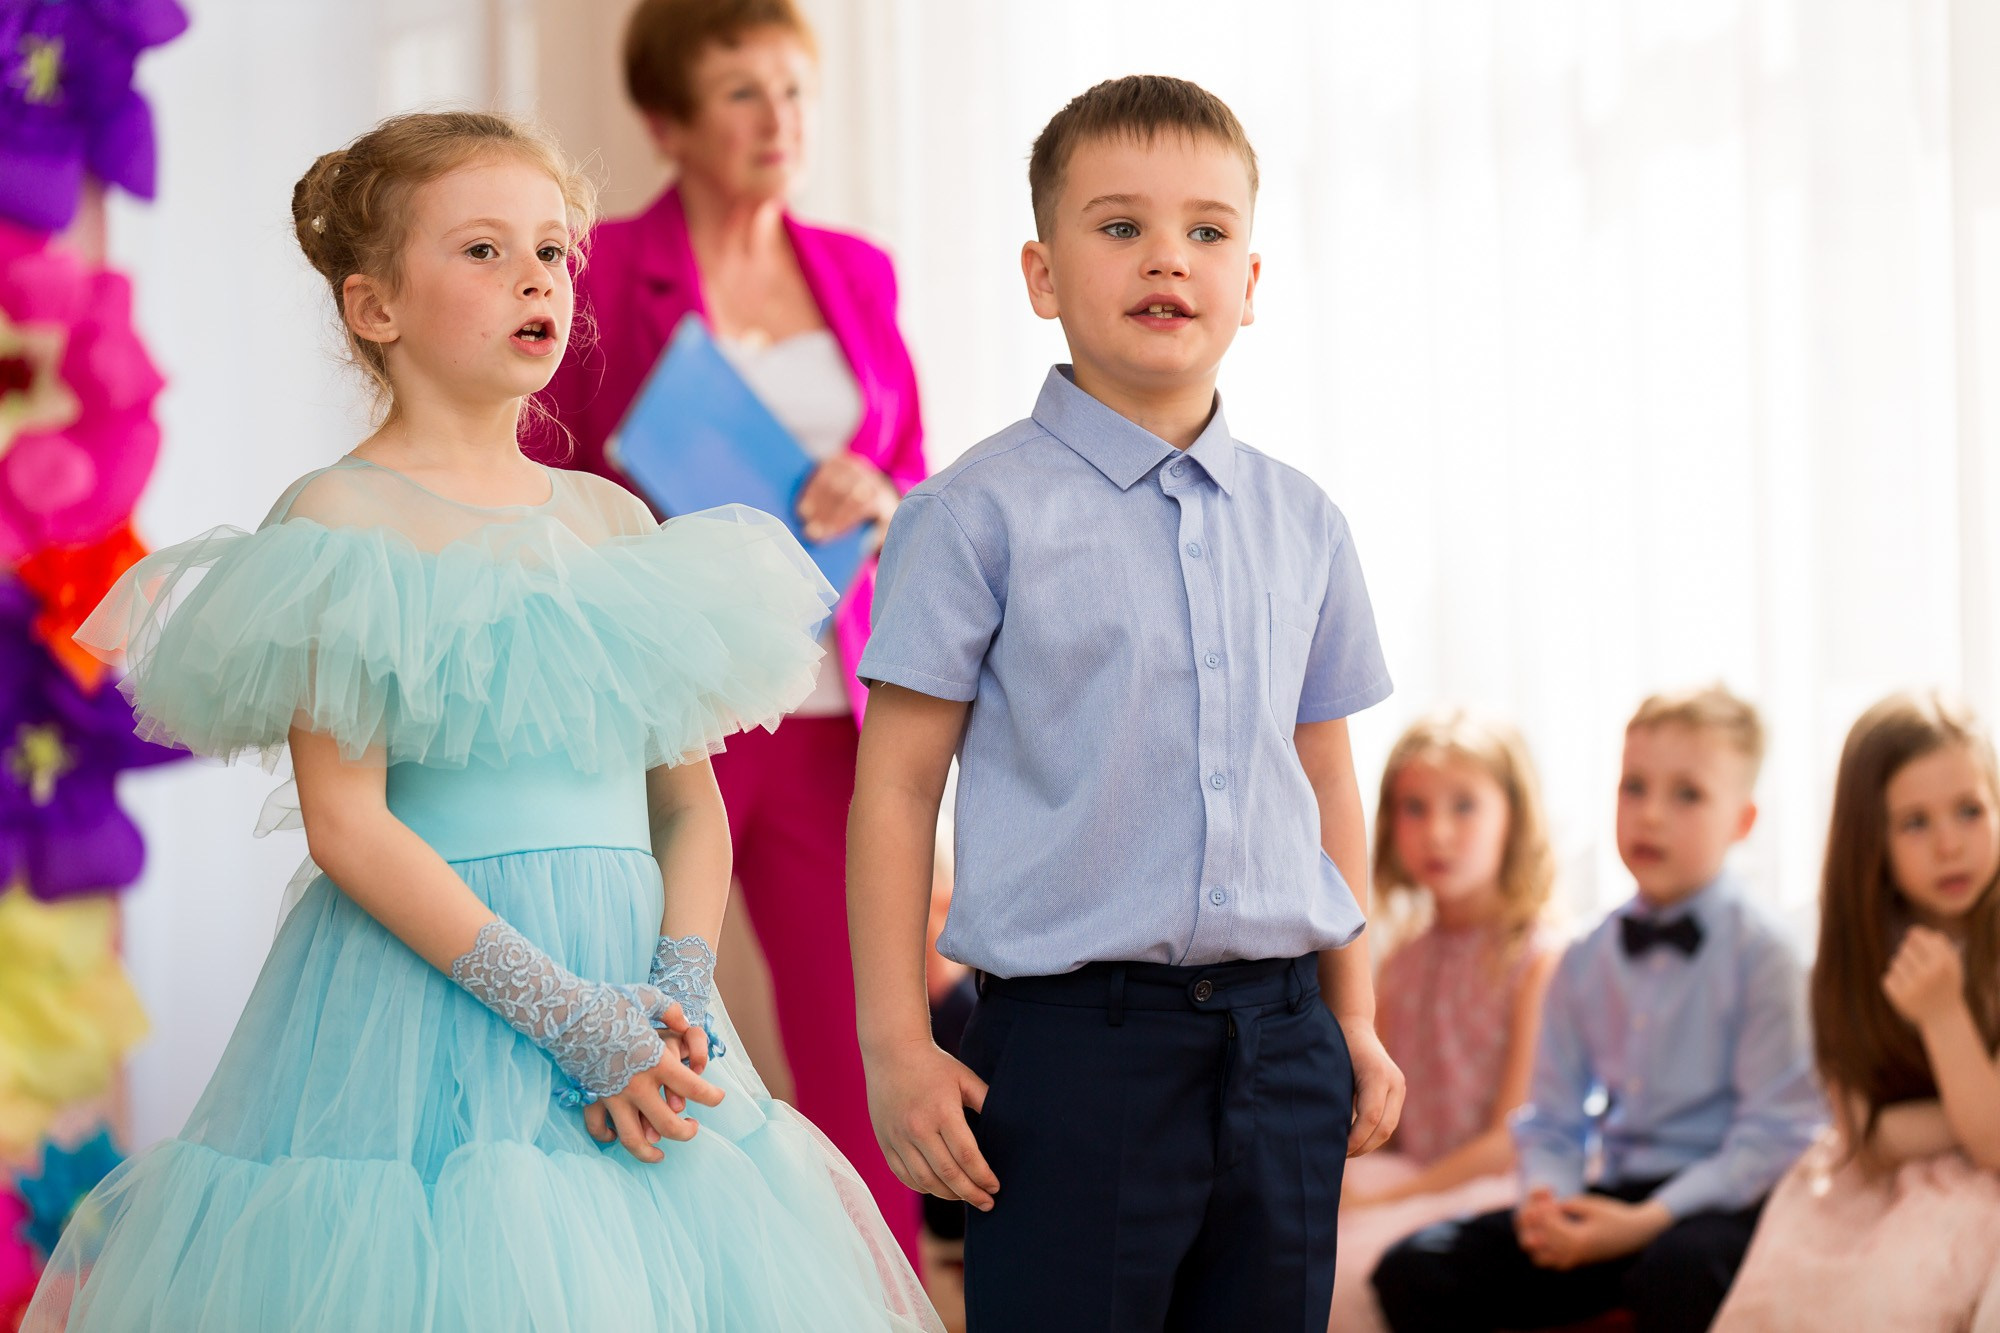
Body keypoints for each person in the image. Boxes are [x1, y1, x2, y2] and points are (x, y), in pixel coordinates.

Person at [23, 111, 937, 1332]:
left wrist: (671, 979)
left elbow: (685, 803)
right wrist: (566, 1018)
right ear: (374, 308)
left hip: (641, 991)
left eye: (554, 251)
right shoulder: (340, 517)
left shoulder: (615, 523)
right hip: (437, 1008)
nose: (536, 278)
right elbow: (349, 827)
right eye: (483, 251)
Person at [848, 75, 1404, 1331]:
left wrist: (1353, 1017)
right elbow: (893, 789)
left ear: (1250, 284)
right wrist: (894, 1043)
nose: (1168, 256)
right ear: (1042, 275)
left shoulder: (1305, 521)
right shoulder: (967, 514)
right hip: (1069, 1053)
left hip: (1283, 1042)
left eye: (1207, 231)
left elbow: (1323, 780)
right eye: (1119, 227)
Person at [537, 0, 927, 1257]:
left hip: (834, 717)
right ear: (667, 123)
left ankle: (887, 1289)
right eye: (742, 95)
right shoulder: (591, 270)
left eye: (795, 92)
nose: (780, 121)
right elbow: (538, 467)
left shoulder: (858, 270)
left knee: (865, 1033)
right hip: (664, 710)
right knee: (639, 1026)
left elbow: (915, 472)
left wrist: (881, 492)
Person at [1373, 685, 1823, 1333]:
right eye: (1633, 787)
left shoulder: (1767, 954)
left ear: (1742, 821)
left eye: (1687, 794)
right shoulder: (1585, 956)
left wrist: (1648, 1219)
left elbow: (1771, 1138)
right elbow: (1550, 1118)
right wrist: (1546, 1202)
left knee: (1677, 1272)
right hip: (1612, 1191)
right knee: (1416, 1266)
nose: (1652, 816)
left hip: (1717, 1200)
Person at [1712, 691, 2000, 1332]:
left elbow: (1994, 1145)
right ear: (1872, 842)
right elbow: (1866, 1137)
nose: (1950, 843)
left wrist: (1944, 1014)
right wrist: (1973, 1106)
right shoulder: (1854, 953)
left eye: (1970, 811)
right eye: (1916, 823)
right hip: (1882, 1191)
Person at [1330, 711, 1560, 1333]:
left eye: (1464, 807)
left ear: (1513, 817)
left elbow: (1511, 1137)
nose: (1437, 833)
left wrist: (1389, 1197)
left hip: (1498, 1183)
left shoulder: (1538, 963)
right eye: (1414, 807)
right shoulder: (1402, 963)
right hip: (1415, 1169)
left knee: (1354, 1267)